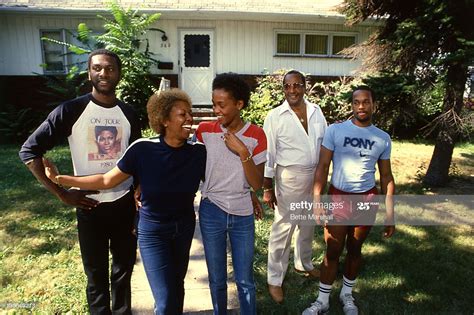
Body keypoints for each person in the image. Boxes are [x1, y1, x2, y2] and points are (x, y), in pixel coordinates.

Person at [44, 89, 207, 315]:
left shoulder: (198, 152)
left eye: (190, 114)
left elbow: (220, 179)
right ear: (164, 120)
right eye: (182, 114)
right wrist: (60, 179)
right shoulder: (143, 149)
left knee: (176, 287)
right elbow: (106, 179)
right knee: (167, 296)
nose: (189, 119)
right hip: (153, 231)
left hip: (184, 227)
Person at [19, 49, 141, 314]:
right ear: (89, 73)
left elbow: (137, 160)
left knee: (123, 272)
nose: (104, 73)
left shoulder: (129, 114)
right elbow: (29, 151)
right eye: (97, 68)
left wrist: (139, 191)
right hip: (89, 206)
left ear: (119, 74)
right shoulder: (71, 110)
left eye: (109, 68)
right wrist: (61, 193)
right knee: (96, 277)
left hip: (124, 205)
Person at [302, 85, 395, 315]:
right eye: (356, 102)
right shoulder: (335, 131)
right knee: (332, 249)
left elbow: (386, 176)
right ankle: (322, 301)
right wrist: (317, 199)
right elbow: (323, 167)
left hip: (366, 199)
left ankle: (346, 295)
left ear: (373, 104)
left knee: (355, 249)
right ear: (351, 105)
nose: (361, 106)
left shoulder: (382, 138)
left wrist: (390, 214)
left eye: (366, 101)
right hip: (338, 197)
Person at [194, 73, 267, 315]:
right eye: (214, 103)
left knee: (245, 280)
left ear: (239, 104)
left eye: (221, 105)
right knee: (216, 279)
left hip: (242, 214)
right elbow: (195, 170)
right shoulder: (204, 131)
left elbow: (256, 182)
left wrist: (243, 150)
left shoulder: (256, 135)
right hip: (211, 210)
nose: (216, 110)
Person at [262, 70, 327, 303]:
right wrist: (267, 186)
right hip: (290, 175)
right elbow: (268, 153)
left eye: (297, 85)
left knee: (307, 223)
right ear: (283, 89)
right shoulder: (275, 116)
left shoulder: (317, 112)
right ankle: (274, 279)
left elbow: (325, 145)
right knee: (284, 227)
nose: (292, 90)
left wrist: (323, 178)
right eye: (288, 86)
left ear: (305, 87)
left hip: (315, 175)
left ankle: (304, 263)